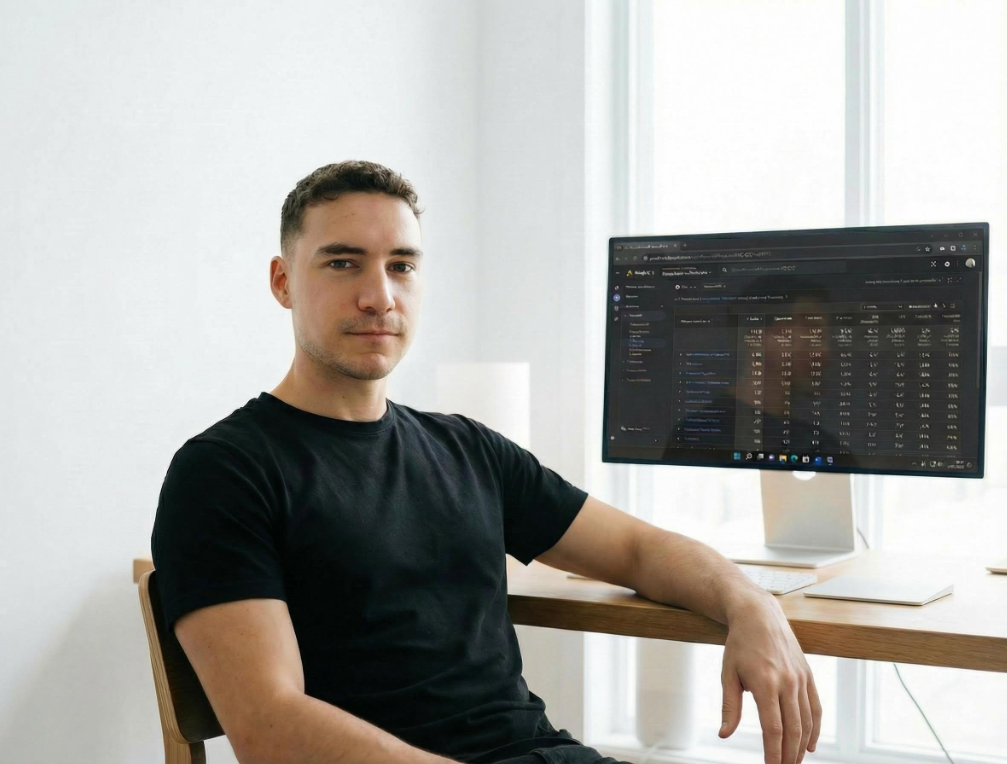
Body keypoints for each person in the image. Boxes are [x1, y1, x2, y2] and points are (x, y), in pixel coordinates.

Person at [151, 160, 821, 764]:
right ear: (282, 282)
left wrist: (749, 602)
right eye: (343, 263)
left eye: (402, 265)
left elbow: (639, 551)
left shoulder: (467, 450)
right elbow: (270, 729)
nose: (379, 296)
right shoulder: (224, 472)